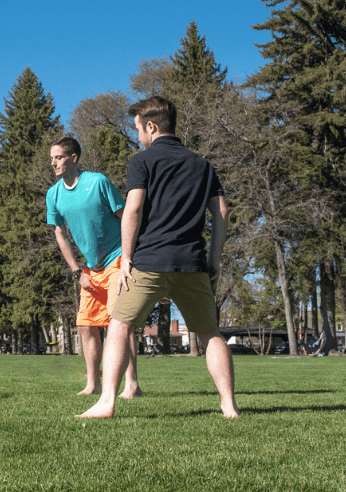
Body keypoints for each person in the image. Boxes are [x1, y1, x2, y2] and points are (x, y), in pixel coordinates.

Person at [78, 96, 240, 418]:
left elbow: (133, 209)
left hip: (149, 262)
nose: (138, 136)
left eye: (138, 129)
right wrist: (214, 260)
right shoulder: (202, 164)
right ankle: (229, 406)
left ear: (151, 126)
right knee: (210, 333)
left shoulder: (142, 161)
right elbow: (221, 212)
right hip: (192, 264)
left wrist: (125, 258)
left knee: (120, 326)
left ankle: (107, 401)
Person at [46, 136, 142, 398]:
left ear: (73, 158)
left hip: (117, 258)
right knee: (86, 325)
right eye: (52, 158)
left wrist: (129, 255)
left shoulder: (97, 181)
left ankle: (131, 383)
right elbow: (60, 233)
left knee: (119, 322)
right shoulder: (53, 194)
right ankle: (93, 384)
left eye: (59, 157)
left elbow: (125, 216)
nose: (53, 162)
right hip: (90, 268)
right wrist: (78, 271)